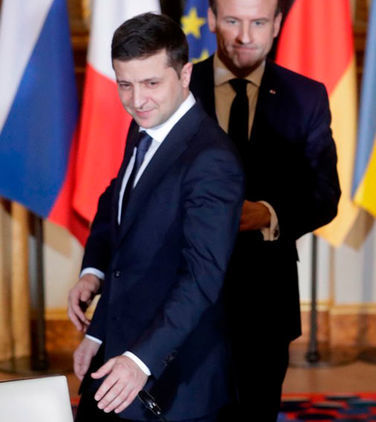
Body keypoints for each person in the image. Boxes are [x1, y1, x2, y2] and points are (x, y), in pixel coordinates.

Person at [66, 12, 244, 421]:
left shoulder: (212, 159)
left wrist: (139, 361)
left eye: (151, 83)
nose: (136, 100)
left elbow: (202, 279)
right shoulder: (145, 126)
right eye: (125, 84)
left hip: (172, 383)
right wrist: (94, 276)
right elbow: (118, 207)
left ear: (184, 75)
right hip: (115, 355)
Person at [189, 0, 341, 419]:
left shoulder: (306, 96)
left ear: (276, 24)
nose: (244, 36)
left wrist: (268, 214)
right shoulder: (177, 87)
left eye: (258, 22)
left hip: (266, 297)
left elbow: (324, 193)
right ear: (212, 20)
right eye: (232, 21)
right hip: (184, 293)